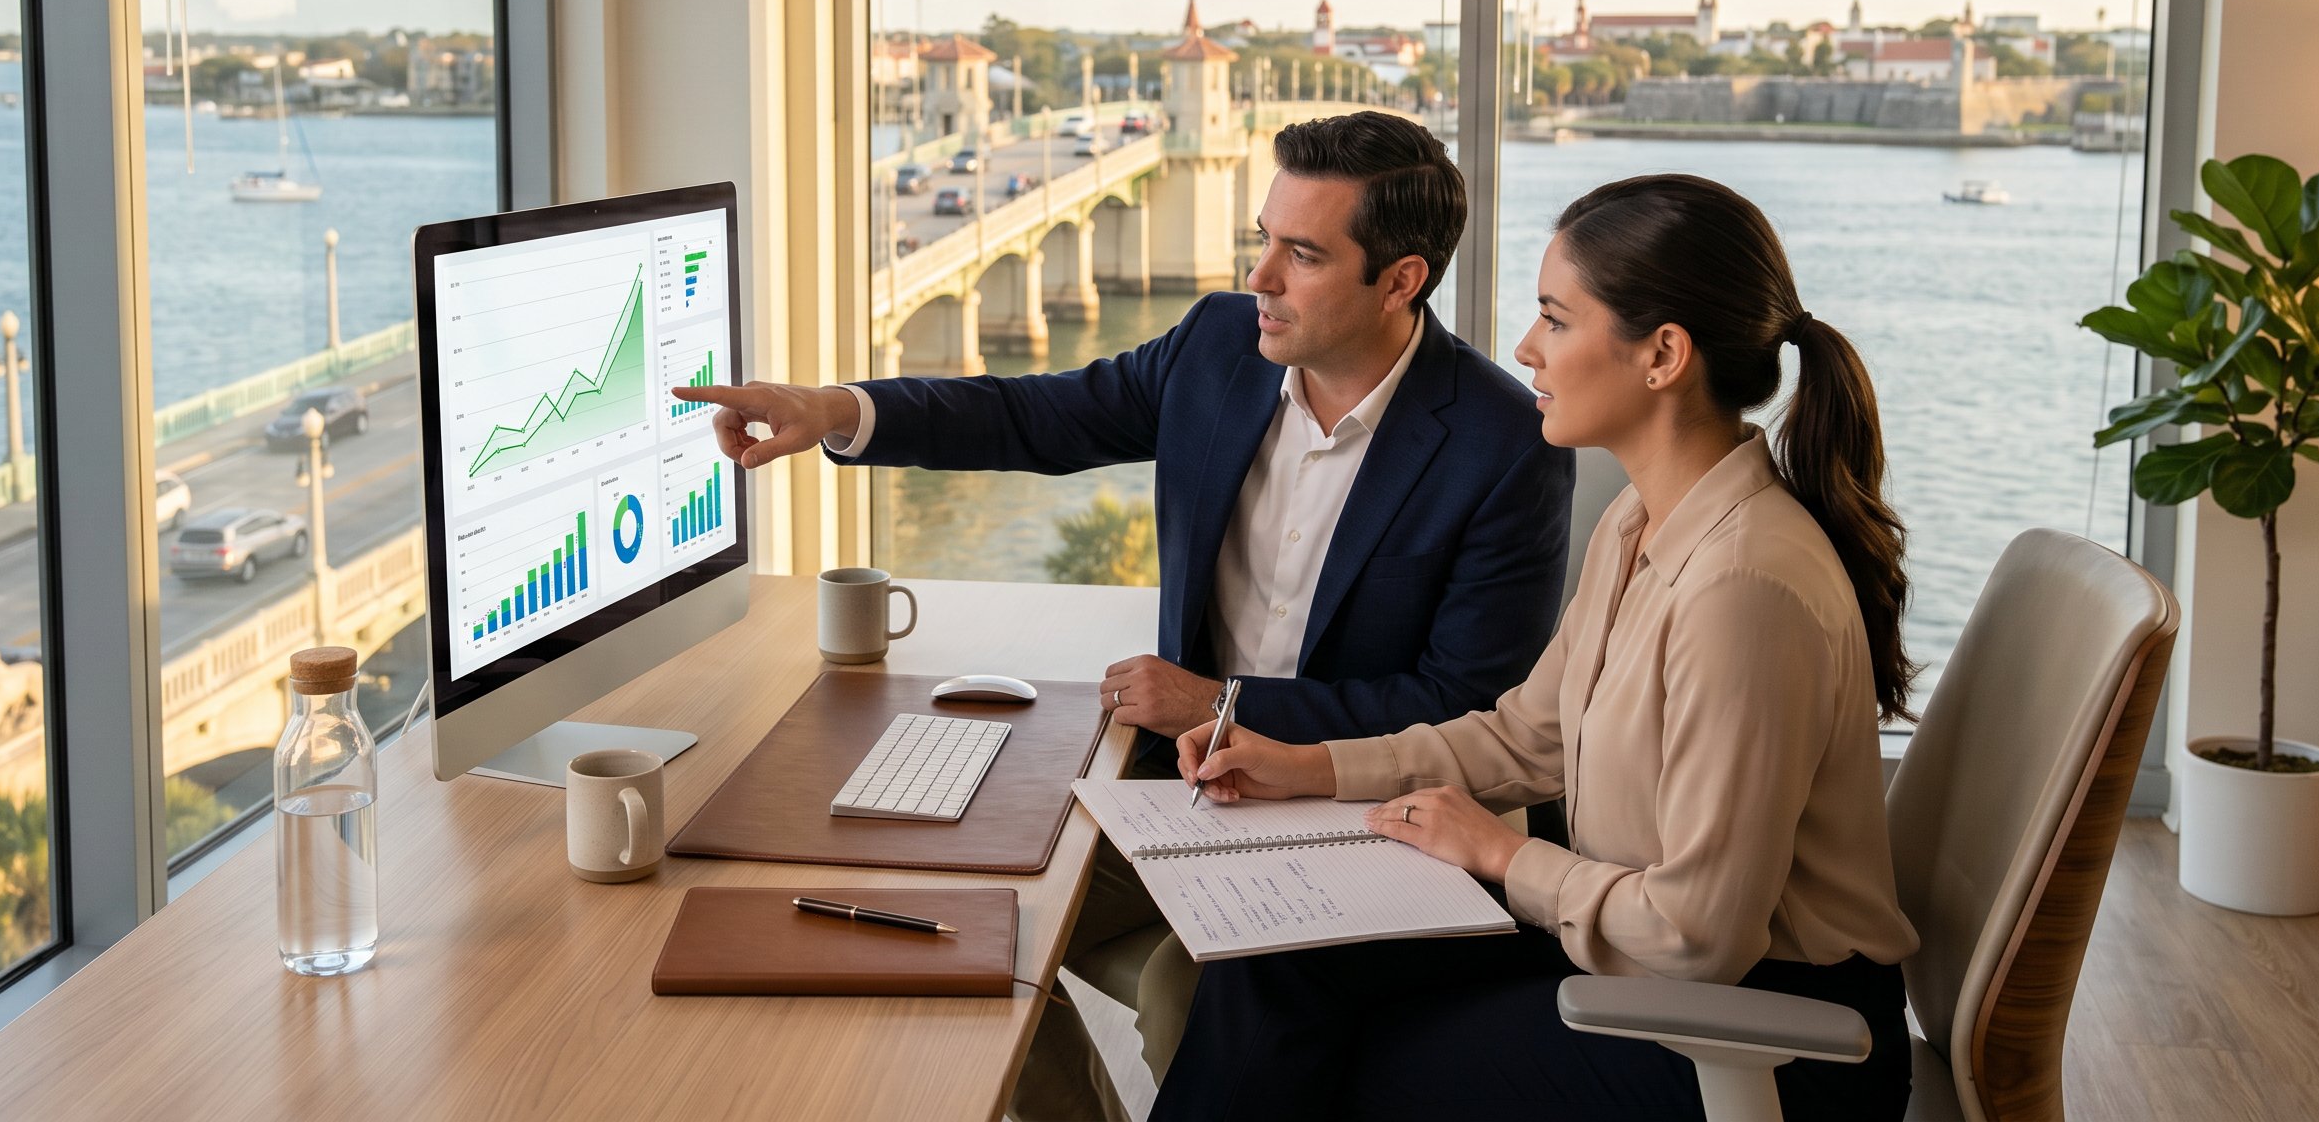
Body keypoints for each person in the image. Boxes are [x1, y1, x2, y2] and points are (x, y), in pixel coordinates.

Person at [680, 111, 1573, 1122]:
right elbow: (1035, 414)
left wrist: (1223, 701)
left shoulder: (1504, 446)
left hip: (1368, 817)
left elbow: (1462, 703)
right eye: (1261, 239)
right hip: (1181, 788)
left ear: (1400, 281)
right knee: (943, 930)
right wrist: (836, 412)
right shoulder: (1216, 350)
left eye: (1302, 254)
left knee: (1179, 1000)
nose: (1260, 278)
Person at [1156, 174, 1921, 1122]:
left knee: (1353, 1067)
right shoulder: (1643, 522)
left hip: (1759, 1032)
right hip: (1644, 958)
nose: (1525, 349)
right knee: (1276, 978)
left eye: (1556, 320)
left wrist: (1498, 856)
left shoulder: (1745, 588)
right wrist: (1303, 767)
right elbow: (1528, 737)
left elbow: (1698, 934)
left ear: (1663, 355)